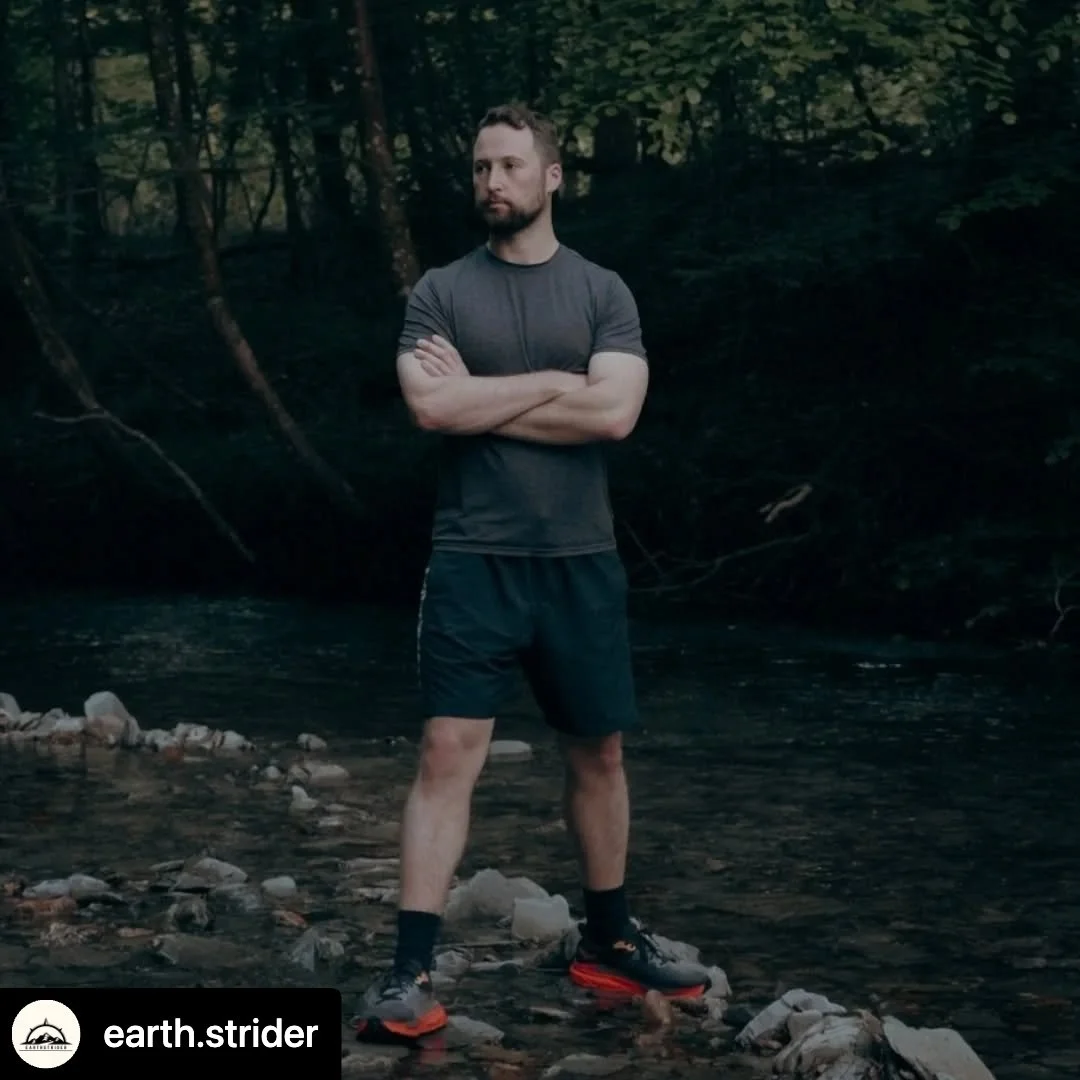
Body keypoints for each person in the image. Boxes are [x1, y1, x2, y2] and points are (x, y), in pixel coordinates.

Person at [353, 103, 710, 1041]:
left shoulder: (602, 292)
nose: (491, 183)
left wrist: (484, 396)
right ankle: (408, 972)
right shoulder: (438, 291)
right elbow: (431, 410)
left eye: (509, 166)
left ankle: (609, 941)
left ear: (552, 177)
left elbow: (614, 418)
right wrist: (559, 381)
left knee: (599, 752)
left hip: (581, 563)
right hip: (473, 560)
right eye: (479, 168)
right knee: (445, 755)